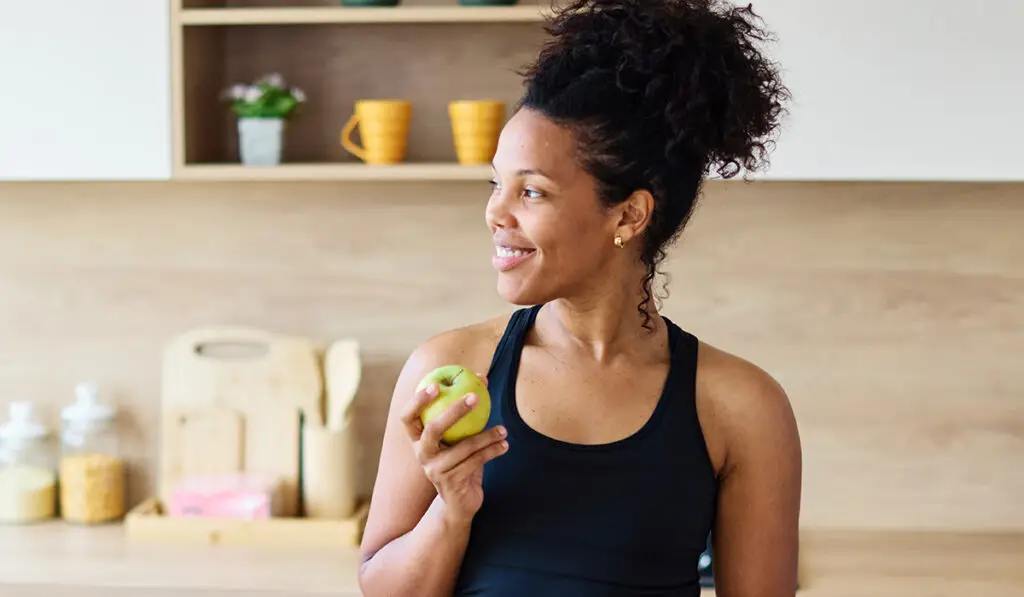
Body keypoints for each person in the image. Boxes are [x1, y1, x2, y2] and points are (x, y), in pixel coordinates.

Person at [357, 0, 801, 595]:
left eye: (532, 192)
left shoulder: (741, 407)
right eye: (497, 184)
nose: (495, 212)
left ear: (628, 214)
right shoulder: (448, 370)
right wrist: (451, 509)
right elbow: (382, 589)